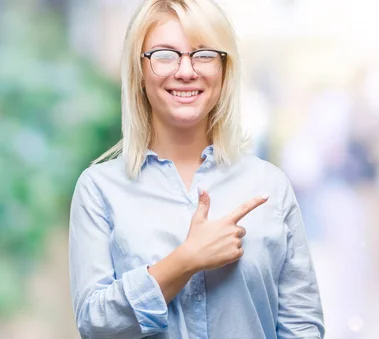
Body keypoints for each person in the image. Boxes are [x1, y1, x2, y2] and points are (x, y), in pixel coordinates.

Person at [68, 0, 325, 338]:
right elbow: (95, 324)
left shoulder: (269, 187)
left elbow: (302, 327)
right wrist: (185, 260)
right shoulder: (99, 190)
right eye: (164, 55)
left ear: (224, 70)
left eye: (203, 54)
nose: (186, 71)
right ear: (139, 72)